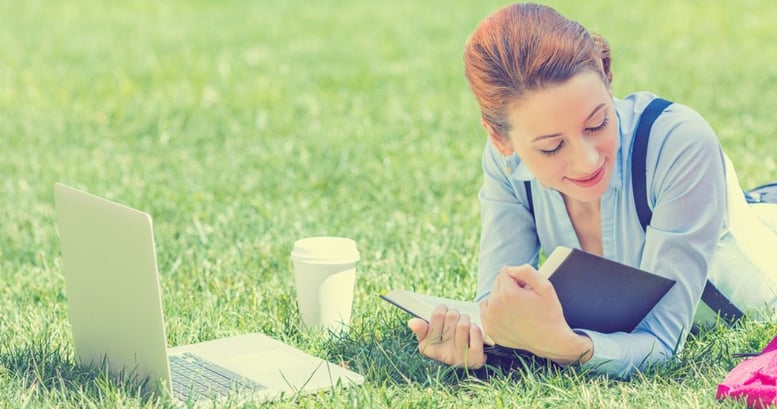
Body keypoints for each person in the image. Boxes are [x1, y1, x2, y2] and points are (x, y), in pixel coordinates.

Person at [408, 2, 777, 379]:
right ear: (501, 139)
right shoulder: (509, 162)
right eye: (552, 147)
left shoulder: (681, 143)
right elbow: (497, 307)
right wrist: (476, 341)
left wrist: (568, 347)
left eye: (598, 123)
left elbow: (663, 343)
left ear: (607, 80)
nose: (587, 162)